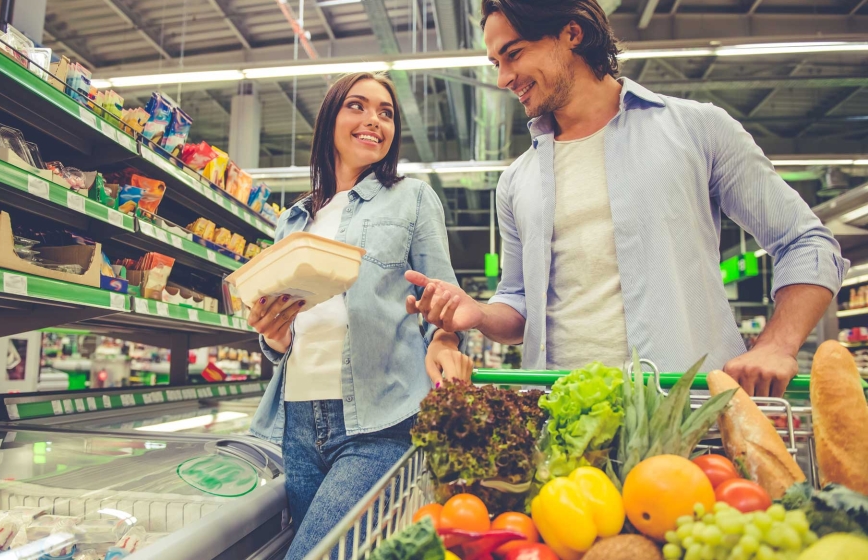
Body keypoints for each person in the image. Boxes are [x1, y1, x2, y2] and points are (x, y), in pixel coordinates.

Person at [406, 0, 848, 398]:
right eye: (495, 62)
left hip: (685, 419)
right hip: (562, 427)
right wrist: (477, 312)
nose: (503, 78)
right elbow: (519, 307)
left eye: (514, 54)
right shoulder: (516, 181)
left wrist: (776, 345)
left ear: (572, 33)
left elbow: (806, 242)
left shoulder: (697, 130)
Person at [246, 72, 471, 559]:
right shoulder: (293, 219)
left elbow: (445, 300)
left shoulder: (412, 198)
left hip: (378, 420)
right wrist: (273, 335)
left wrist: (446, 340)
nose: (373, 120)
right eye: (358, 106)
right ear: (330, 117)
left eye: (385, 113)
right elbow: (283, 334)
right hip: (296, 423)